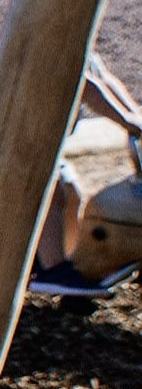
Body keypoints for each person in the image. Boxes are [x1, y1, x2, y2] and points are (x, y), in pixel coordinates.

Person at [27, 57, 142, 302]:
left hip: (43, 144)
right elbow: (85, 85)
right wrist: (125, 119)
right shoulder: (54, 44)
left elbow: (104, 79)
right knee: (49, 191)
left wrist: (134, 115)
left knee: (72, 192)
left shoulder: (79, 46)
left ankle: (74, 268)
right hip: (19, 144)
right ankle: (54, 271)